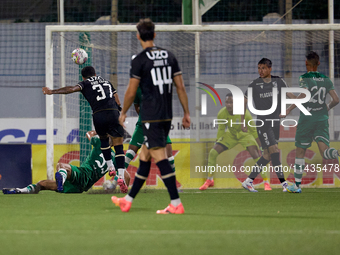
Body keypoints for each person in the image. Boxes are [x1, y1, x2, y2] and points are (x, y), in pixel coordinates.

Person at [111, 18, 190, 214]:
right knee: (144, 157)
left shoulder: (139, 60)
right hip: (166, 115)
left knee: (159, 157)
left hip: (151, 116)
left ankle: (176, 203)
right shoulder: (169, 56)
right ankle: (127, 200)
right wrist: (186, 112)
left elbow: (131, 91)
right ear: (154, 35)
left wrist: (123, 112)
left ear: (138, 36)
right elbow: (180, 86)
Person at [42, 66, 128, 192]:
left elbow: (71, 89)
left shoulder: (85, 83)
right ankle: (120, 175)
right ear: (95, 73)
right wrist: (118, 112)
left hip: (98, 114)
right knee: (119, 145)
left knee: (103, 140)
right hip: (113, 112)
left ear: (83, 77)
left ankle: (110, 167)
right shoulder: (107, 82)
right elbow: (117, 100)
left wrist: (52, 91)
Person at [282, 51, 339, 193]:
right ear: (319, 63)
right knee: (325, 152)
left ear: (306, 63)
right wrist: (326, 107)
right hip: (321, 119)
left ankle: (296, 185)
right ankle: (337, 152)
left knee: (300, 152)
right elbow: (336, 99)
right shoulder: (326, 79)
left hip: (307, 120)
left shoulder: (304, 78)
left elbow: (304, 95)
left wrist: (289, 109)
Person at [3, 131, 130, 194]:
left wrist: (100, 131)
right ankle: (19, 191)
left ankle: (61, 180)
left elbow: (88, 133)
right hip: (82, 187)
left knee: (61, 166)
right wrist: (120, 187)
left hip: (82, 174)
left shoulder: (98, 143)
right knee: (42, 184)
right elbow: (127, 176)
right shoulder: (115, 158)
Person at [241, 58, 296, 192]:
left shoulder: (279, 82)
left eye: (263, 68)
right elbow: (244, 102)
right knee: (275, 151)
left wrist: (290, 108)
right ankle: (284, 184)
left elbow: (291, 96)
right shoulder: (254, 84)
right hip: (263, 123)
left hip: (275, 123)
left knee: (267, 155)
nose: (260, 71)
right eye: (259, 68)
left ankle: (248, 181)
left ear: (270, 69)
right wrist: (243, 120)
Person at [199, 93, 272, 190]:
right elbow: (221, 129)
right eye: (227, 102)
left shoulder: (244, 113)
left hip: (246, 135)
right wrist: (217, 141)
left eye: (231, 102)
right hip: (231, 135)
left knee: (255, 155)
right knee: (212, 152)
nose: (229, 104)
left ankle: (266, 182)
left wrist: (262, 146)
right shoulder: (222, 113)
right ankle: (210, 180)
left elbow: (253, 131)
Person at [125, 86, 177, 181]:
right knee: (130, 152)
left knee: (168, 154)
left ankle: (173, 183)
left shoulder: (159, 86)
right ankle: (118, 179)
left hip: (157, 125)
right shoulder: (138, 89)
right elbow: (137, 106)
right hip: (144, 124)